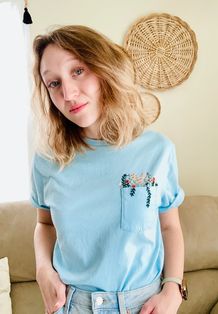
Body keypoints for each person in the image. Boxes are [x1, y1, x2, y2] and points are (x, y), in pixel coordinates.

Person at [31, 25, 186, 314]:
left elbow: (169, 225)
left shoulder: (157, 150)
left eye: (77, 71)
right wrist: (43, 269)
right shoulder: (47, 160)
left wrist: (173, 288)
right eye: (53, 83)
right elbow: (44, 224)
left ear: (104, 68)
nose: (68, 92)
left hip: (144, 304)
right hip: (71, 304)